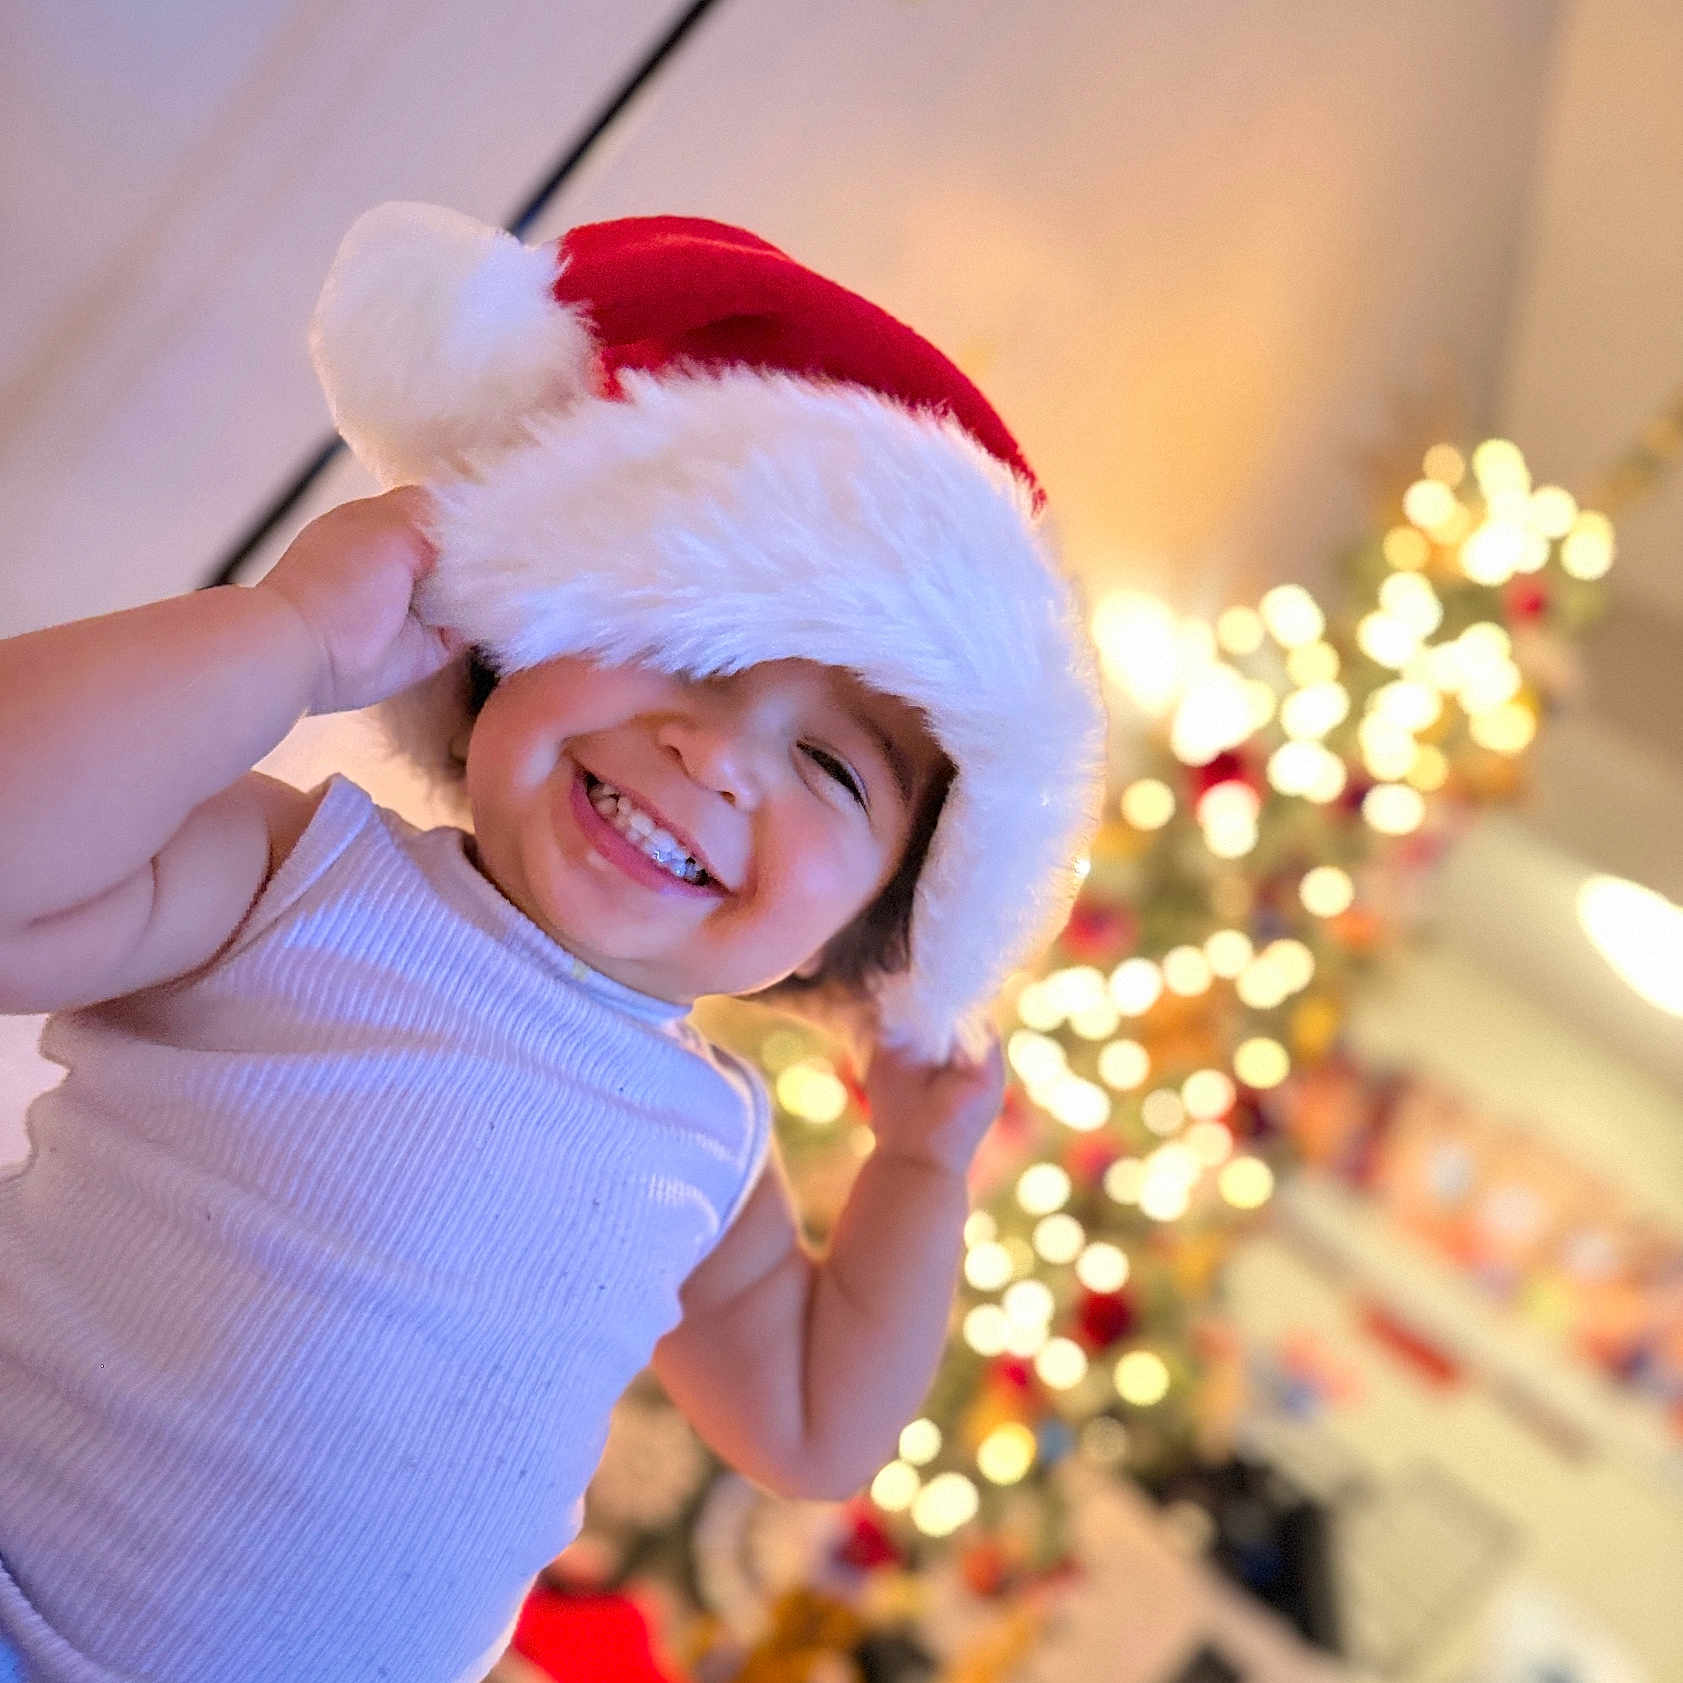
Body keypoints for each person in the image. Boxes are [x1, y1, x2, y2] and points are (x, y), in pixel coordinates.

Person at [0, 204, 1107, 1683]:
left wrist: (919, 1165)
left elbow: (812, 1427)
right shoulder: (292, 879)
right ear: (509, 626)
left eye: (834, 768)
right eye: (679, 641)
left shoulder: (709, 1142)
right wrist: (288, 638)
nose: (718, 755)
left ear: (865, 927)